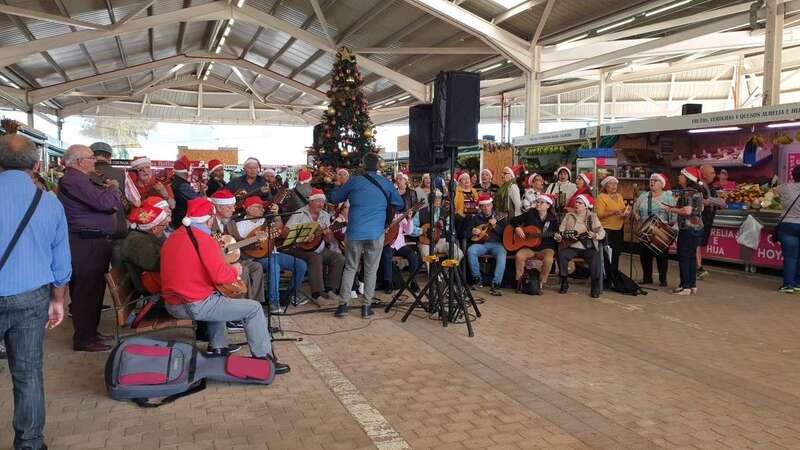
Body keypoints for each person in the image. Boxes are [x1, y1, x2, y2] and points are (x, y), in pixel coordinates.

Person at [160, 197, 288, 373]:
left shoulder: (176, 235)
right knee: (254, 308)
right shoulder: (204, 239)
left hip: (172, 301)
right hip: (191, 304)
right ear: (210, 219)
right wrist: (235, 270)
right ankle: (263, 359)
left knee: (218, 297)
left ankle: (218, 347)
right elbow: (221, 277)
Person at [0, 134, 71, 450]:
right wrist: (58, 300)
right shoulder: (50, 204)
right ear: (37, 165)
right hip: (31, 297)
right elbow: (61, 262)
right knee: (27, 373)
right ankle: (29, 443)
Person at [58, 144, 122, 352]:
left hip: (93, 242)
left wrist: (109, 197)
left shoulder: (82, 180)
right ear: (79, 162)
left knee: (93, 291)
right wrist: (113, 188)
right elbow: (105, 204)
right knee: (87, 292)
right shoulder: (75, 180)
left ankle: (90, 333)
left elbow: (106, 204)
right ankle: (85, 338)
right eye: (91, 157)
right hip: (87, 243)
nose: (95, 160)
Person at [328, 152, 404, 318]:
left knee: (350, 267)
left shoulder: (354, 181)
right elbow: (400, 203)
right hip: (376, 232)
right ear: (378, 166)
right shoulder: (385, 183)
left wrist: (336, 182)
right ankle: (366, 307)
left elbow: (334, 197)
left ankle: (343, 306)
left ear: (362, 165)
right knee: (371, 269)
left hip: (355, 232)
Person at [232, 196, 307, 313]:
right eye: (258, 207)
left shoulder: (266, 220)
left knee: (301, 265)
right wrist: (256, 241)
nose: (262, 209)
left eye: (262, 207)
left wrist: (276, 214)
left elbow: (280, 229)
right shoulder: (240, 225)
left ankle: (289, 295)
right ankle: (273, 302)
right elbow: (241, 246)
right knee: (274, 267)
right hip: (255, 257)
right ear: (248, 209)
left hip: (273, 252)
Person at [284, 188, 345, 302]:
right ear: (310, 201)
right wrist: (304, 235)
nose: (321, 204)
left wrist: (328, 235)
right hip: (300, 249)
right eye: (318, 201)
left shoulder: (325, 215)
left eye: (322, 201)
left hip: (320, 248)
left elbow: (329, 240)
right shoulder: (300, 213)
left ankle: (330, 290)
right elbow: (286, 231)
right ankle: (317, 294)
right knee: (315, 258)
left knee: (339, 258)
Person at [209, 189, 266, 305]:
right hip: (217, 261)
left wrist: (255, 240)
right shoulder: (211, 223)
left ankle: (254, 302)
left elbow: (239, 241)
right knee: (242, 269)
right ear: (218, 208)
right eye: (229, 208)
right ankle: (241, 304)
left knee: (257, 267)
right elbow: (216, 244)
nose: (233, 210)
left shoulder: (230, 222)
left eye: (233, 207)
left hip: (231, 258)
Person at [556, 194, 606, 298]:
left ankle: (595, 285)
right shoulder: (569, 215)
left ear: (586, 205)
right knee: (562, 255)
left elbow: (602, 231)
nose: (577, 204)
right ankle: (564, 281)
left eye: (580, 203)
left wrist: (595, 235)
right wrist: (559, 236)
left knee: (595, 257)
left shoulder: (592, 217)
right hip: (572, 245)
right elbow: (561, 230)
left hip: (587, 246)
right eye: (576, 202)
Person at [664, 167, 705, 295]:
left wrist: (670, 209)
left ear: (687, 178)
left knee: (684, 257)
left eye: (681, 175)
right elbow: (701, 209)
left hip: (687, 229)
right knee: (692, 257)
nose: (679, 177)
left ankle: (685, 286)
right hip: (697, 228)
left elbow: (687, 211)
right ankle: (692, 285)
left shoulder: (687, 192)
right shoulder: (698, 192)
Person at [510, 193, 559, 293]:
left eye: (541, 202)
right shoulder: (530, 213)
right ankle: (519, 282)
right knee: (519, 256)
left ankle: (540, 283)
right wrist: (517, 228)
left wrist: (558, 237)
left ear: (548, 205)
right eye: (537, 202)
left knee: (549, 260)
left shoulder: (553, 219)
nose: (538, 204)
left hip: (546, 247)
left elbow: (557, 234)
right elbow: (513, 220)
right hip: (529, 247)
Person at [633, 173, 675, 287]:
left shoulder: (668, 197)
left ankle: (663, 279)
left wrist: (670, 221)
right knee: (645, 256)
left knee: (662, 256)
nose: (652, 182)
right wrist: (636, 215)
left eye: (655, 180)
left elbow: (673, 216)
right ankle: (647, 278)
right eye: (651, 180)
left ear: (662, 184)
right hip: (645, 230)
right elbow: (635, 208)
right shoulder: (644, 196)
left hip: (661, 231)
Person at [120, 205, 169, 295]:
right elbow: (160, 264)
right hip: (151, 286)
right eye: (164, 225)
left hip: (155, 279)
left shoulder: (143, 234)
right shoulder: (137, 243)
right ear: (154, 228)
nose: (167, 225)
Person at [465, 194, 507, 296]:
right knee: (471, 251)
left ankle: (496, 284)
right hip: (481, 244)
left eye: (488, 205)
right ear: (480, 207)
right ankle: (477, 280)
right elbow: (466, 233)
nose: (486, 208)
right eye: (483, 206)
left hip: (496, 244)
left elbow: (505, 234)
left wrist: (495, 226)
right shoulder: (476, 218)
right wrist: (472, 231)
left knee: (502, 254)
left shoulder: (500, 217)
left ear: (492, 205)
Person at [414, 190, 463, 261]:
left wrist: (443, 227)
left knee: (458, 254)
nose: (438, 200)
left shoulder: (445, 213)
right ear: (430, 199)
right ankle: (435, 272)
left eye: (439, 198)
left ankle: (445, 271)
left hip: (441, 240)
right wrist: (422, 231)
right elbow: (412, 228)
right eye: (435, 198)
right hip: (426, 242)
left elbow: (450, 229)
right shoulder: (421, 212)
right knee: (428, 257)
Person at [697, 164, 725, 280]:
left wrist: (714, 201)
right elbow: (701, 200)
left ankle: (697, 267)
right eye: (712, 173)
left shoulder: (710, 187)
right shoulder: (698, 186)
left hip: (708, 219)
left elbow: (721, 202)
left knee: (700, 244)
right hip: (699, 220)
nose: (715, 175)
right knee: (696, 245)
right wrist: (714, 201)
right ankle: (698, 268)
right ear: (704, 174)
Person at [596, 176, 628, 275]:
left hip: (619, 228)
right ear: (606, 186)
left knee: (616, 253)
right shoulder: (601, 197)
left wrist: (625, 213)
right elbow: (599, 215)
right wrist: (613, 212)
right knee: (606, 253)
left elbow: (622, 209)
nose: (614, 186)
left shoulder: (619, 196)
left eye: (615, 184)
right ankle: (606, 276)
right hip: (607, 229)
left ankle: (614, 274)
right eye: (611, 184)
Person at [777, 165, 800, 293]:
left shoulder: (785, 187)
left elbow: (770, 193)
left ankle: (788, 285)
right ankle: (798, 283)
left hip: (788, 224)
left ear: (793, 175)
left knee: (790, 257)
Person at [170, 155, 201, 230]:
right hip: (182, 221)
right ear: (187, 171)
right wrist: (202, 191)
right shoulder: (183, 185)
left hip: (177, 219)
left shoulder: (174, 182)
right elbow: (198, 200)